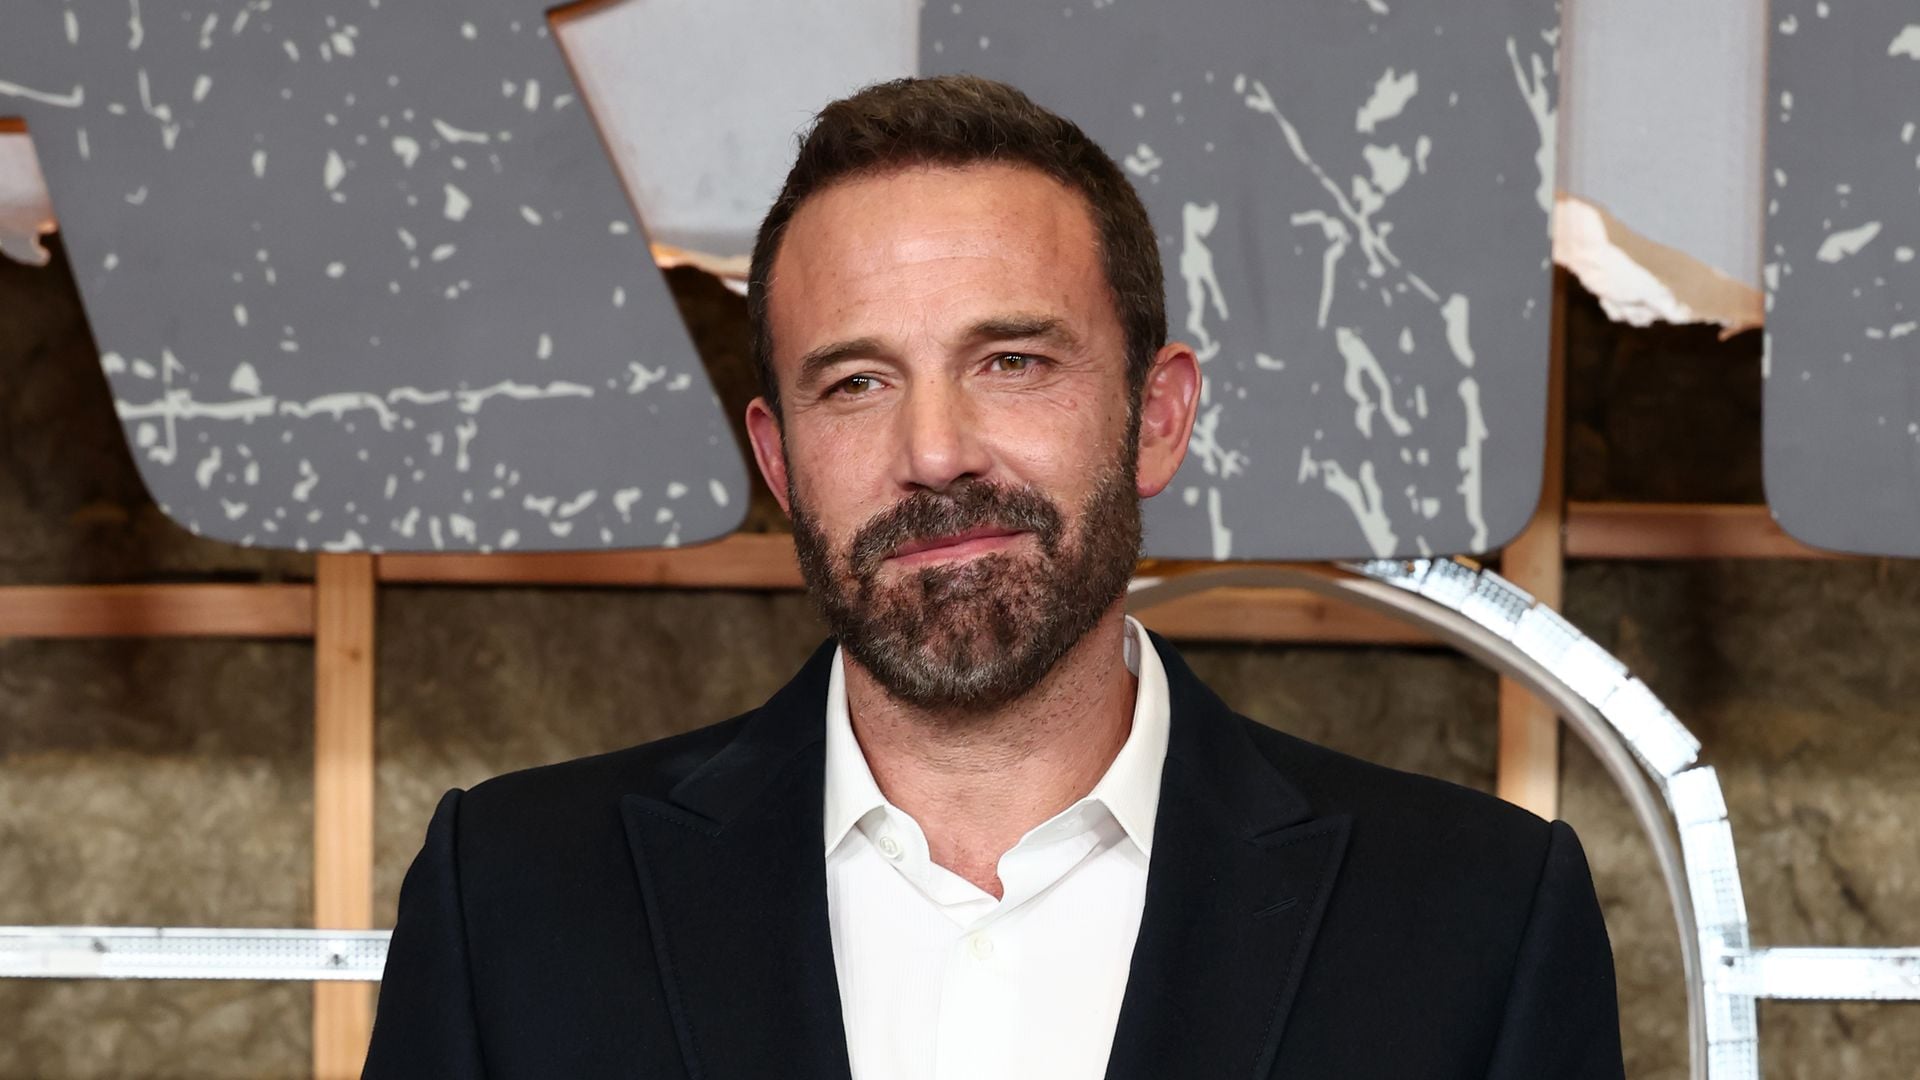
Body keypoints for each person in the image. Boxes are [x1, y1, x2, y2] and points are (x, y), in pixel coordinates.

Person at [364, 75, 1625, 1079]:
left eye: (1011, 362)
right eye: (856, 382)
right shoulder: (513, 899)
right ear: (781, 461)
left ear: (1156, 418)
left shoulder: (1478, 921)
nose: (935, 453)